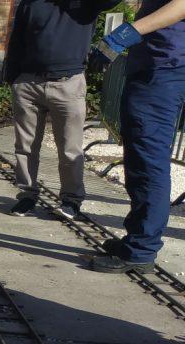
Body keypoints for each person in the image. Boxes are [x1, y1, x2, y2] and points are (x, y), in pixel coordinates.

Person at [88, 0, 185, 272]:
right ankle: (137, 239)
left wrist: (125, 34)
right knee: (139, 157)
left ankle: (141, 250)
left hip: (163, 68)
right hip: (155, 66)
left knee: (148, 161)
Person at [2, 0, 121, 220]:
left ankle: (71, 200)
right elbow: (17, 38)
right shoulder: (31, 2)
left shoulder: (85, 4)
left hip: (68, 82)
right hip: (28, 82)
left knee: (69, 148)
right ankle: (27, 196)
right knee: (25, 146)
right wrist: (13, 78)